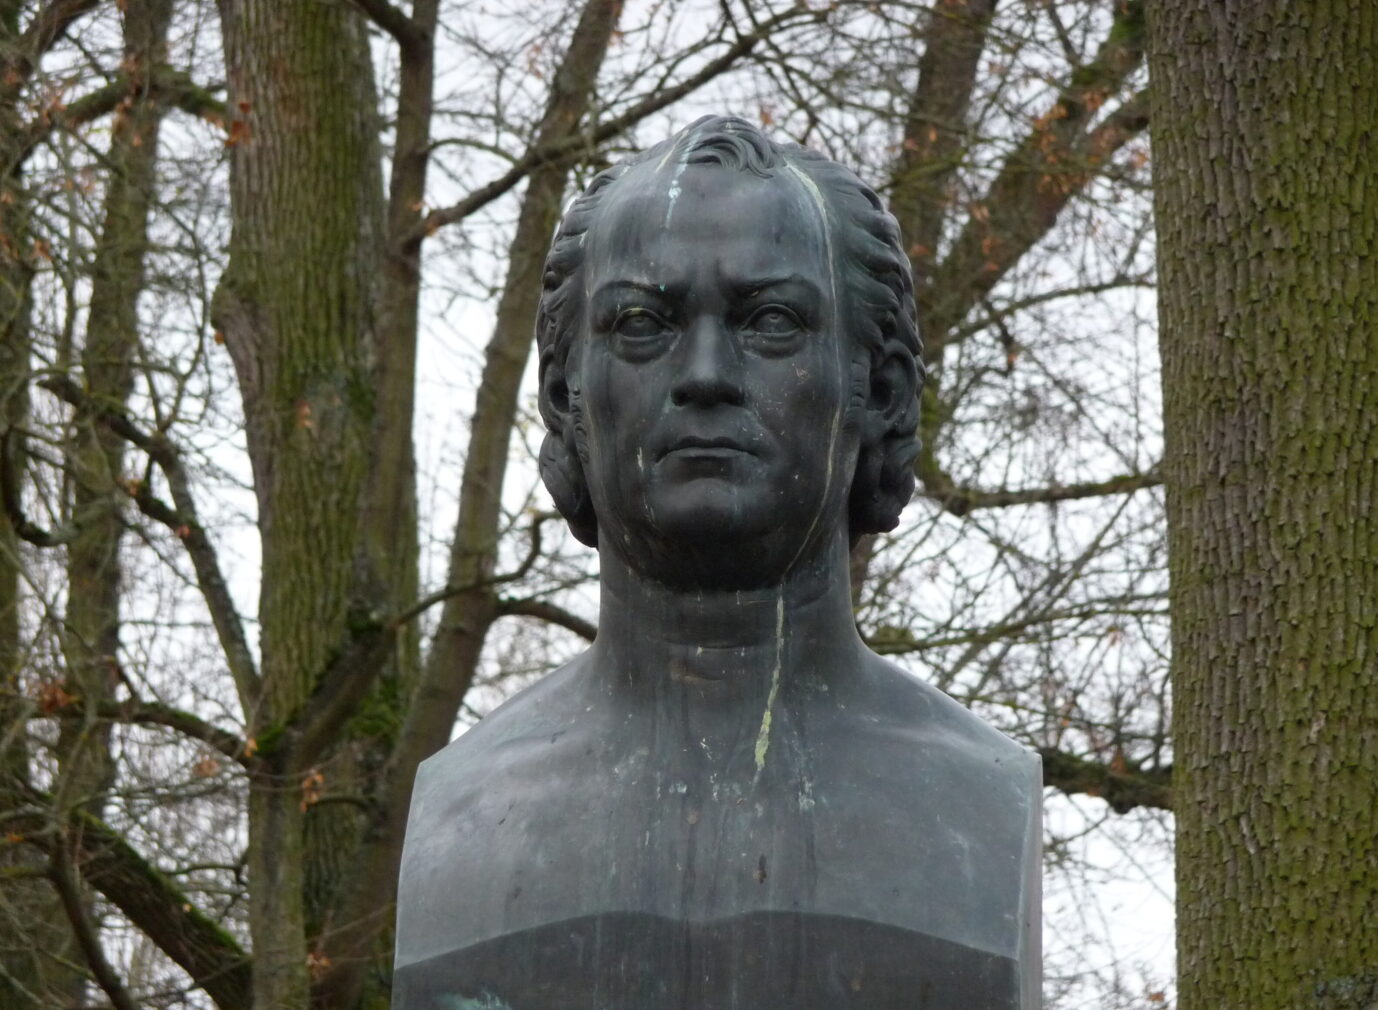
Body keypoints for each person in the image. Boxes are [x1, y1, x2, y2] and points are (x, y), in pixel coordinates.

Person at [394, 116, 1040, 1010]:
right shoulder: (461, 818)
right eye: (642, 323)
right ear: (563, 394)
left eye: (771, 321)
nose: (704, 372)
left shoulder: (976, 805)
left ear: (879, 392)